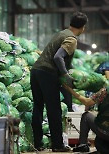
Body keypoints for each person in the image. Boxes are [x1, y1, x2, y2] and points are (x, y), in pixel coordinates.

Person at [30, 12, 88, 152]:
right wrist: (65, 74)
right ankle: (57, 145)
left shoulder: (61, 33)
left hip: (36, 70)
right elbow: (58, 57)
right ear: (83, 27)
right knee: (54, 109)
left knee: (38, 107)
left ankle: (37, 143)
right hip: (47, 73)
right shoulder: (71, 39)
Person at [63, 83, 109, 153]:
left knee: (86, 116)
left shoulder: (104, 91)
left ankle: (83, 145)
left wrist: (70, 90)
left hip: (105, 131)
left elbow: (87, 102)